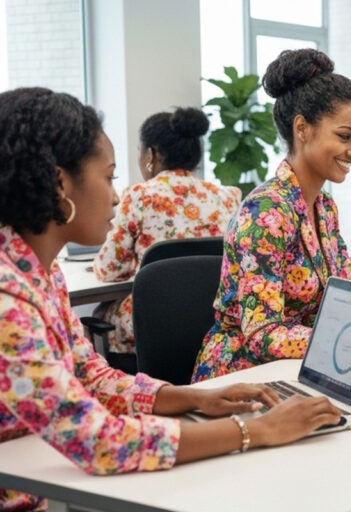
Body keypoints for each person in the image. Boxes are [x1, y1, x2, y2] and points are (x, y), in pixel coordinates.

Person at [0, 87, 343, 510]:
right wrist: (254, 431)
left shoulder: (43, 271)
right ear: (59, 182)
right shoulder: (7, 300)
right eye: (108, 177)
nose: (115, 195)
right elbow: (97, 441)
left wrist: (192, 397)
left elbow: (91, 375)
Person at [192, 49, 351, 383]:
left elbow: (350, 291)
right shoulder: (266, 213)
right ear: (302, 128)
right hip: (243, 377)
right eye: (344, 136)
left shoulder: (324, 208)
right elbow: (262, 335)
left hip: (308, 366)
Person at [93, 107, 241, 370]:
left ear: (150, 154)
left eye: (140, 150)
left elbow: (108, 269)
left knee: (100, 314)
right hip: (212, 321)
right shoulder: (228, 196)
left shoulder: (139, 195)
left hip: (152, 324)